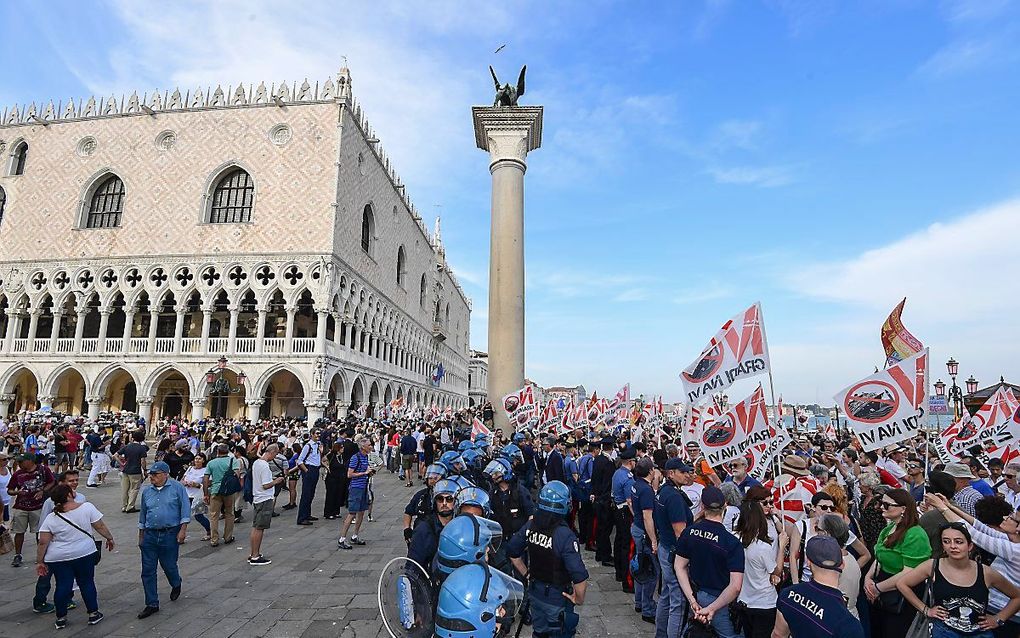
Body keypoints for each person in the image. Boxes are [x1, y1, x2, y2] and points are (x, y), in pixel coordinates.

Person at [896, 521, 1020, 638]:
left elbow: (1017, 596)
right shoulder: (932, 566)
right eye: (946, 541)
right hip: (943, 631)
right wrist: (926, 610)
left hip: (979, 633)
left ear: (970, 545)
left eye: (959, 542)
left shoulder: (986, 572)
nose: (953, 546)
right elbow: (902, 583)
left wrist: (998, 619)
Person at [926, 492, 1020, 636]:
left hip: (1004, 612)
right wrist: (950, 506)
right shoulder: (1012, 541)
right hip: (994, 608)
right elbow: (981, 528)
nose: (1005, 517)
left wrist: (999, 619)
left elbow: (974, 535)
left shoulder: (1014, 550)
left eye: (1012, 518)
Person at [508, 481, 589, 638]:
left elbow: (512, 552)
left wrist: (526, 574)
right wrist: (578, 599)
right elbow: (580, 578)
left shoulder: (530, 525)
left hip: (535, 594)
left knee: (539, 633)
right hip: (556, 598)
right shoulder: (565, 536)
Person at [36, 484, 113, 629]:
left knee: (62, 585)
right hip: (84, 553)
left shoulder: (52, 517)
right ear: (69, 495)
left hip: (58, 557)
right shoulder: (86, 508)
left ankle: (61, 617)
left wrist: (40, 561)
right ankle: (93, 613)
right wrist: (109, 538)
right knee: (87, 582)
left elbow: (43, 541)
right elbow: (100, 526)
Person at [674, 485, 745, 638]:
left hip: (699, 594)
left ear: (702, 506)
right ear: (725, 505)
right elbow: (736, 585)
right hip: (722, 600)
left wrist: (692, 600)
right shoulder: (731, 542)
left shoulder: (689, 532)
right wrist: (712, 608)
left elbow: (679, 566)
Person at [863, 488, 932, 638]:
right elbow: (879, 557)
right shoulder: (888, 528)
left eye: (887, 505)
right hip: (881, 589)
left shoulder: (915, 534)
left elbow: (910, 572)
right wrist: (868, 579)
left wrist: (878, 588)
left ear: (903, 509)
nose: (881, 507)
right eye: (881, 503)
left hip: (902, 595)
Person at [772, 536, 865, 638]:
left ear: (808, 562)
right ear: (842, 564)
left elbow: (778, 635)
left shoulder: (788, 595)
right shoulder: (849, 625)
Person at [136, 461, 190, 619]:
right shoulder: (147, 491)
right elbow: (143, 514)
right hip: (150, 534)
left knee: (169, 565)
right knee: (147, 570)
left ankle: (175, 582)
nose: (152, 477)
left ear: (166, 474)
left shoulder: (177, 488)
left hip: (170, 533)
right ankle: (152, 603)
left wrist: (183, 530)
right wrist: (141, 535)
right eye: (150, 474)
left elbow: (185, 508)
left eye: (155, 474)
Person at [653, 458, 695, 638]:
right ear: (671, 473)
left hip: (665, 547)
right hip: (675, 552)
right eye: (683, 472)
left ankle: (661, 633)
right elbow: (680, 532)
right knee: (678, 601)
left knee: (667, 594)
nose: (688, 475)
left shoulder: (664, 491)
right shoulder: (675, 497)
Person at [734, 499, 781, 638]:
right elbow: (776, 570)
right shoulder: (762, 547)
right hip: (764, 603)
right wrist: (782, 545)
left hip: (743, 600)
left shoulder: (736, 539)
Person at [7, 452, 55, 567]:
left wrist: (42, 491)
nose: (18, 464)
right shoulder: (18, 474)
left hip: (38, 506)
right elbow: (10, 489)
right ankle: (17, 555)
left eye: (21, 461)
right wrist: (17, 492)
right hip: (21, 506)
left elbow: (51, 482)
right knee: (19, 531)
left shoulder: (43, 470)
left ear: (30, 461)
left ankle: (41, 555)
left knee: (40, 532)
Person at [630, 456, 658, 624]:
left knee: (641, 566)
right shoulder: (646, 490)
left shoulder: (637, 485)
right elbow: (648, 517)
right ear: (650, 471)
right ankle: (647, 609)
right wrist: (653, 540)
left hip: (637, 528)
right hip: (644, 533)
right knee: (650, 572)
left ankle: (639, 602)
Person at [248, 444, 285, 565]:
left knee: (256, 526)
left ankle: (254, 552)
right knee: (260, 528)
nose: (275, 456)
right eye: (276, 454)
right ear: (272, 452)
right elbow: (266, 485)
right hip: (264, 498)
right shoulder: (264, 466)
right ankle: (255, 556)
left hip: (258, 498)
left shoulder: (257, 463)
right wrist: (277, 481)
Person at [337, 437, 375, 550]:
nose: (371, 447)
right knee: (352, 513)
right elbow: (350, 474)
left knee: (361, 512)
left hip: (364, 487)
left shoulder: (366, 457)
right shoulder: (356, 457)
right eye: (369, 445)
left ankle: (355, 535)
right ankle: (342, 539)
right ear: (363, 447)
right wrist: (364, 473)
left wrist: (369, 473)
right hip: (356, 488)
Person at [204, 444, 240, 545]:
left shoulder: (211, 463)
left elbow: (206, 478)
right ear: (228, 451)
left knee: (214, 515)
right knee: (229, 513)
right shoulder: (233, 461)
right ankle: (228, 537)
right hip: (228, 491)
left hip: (215, 490)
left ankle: (214, 539)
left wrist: (206, 493)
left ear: (218, 452)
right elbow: (237, 474)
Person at [612, 446, 637, 590]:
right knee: (627, 546)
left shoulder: (617, 473)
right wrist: (636, 517)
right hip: (625, 512)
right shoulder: (628, 478)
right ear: (631, 461)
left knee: (619, 541)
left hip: (618, 510)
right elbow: (630, 501)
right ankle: (627, 580)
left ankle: (619, 572)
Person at [590, 437, 616, 566]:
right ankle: (605, 555)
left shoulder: (598, 459)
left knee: (601, 528)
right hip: (605, 500)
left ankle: (600, 553)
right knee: (605, 529)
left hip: (598, 498)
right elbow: (608, 484)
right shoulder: (608, 462)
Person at [295, 430, 322, 525]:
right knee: (306, 494)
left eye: (319, 433)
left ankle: (307, 514)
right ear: (312, 435)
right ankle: (302, 517)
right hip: (309, 469)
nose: (318, 435)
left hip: (315, 469)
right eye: (317, 433)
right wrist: (306, 470)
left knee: (311, 493)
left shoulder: (318, 445)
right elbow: (300, 460)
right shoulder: (308, 446)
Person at [117, 430, 149, 513]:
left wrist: (122, 463)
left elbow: (115, 455)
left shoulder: (127, 446)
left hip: (126, 470)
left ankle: (124, 506)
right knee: (134, 489)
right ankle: (130, 506)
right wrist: (145, 470)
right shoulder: (142, 448)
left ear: (133, 438)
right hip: (136, 471)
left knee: (125, 489)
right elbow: (143, 461)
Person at [181, 454, 210, 541]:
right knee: (183, 515)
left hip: (197, 495)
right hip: (187, 494)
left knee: (198, 515)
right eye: (196, 458)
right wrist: (184, 483)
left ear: (203, 460)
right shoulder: (190, 469)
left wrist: (196, 485)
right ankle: (181, 535)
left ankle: (209, 531)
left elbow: (208, 483)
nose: (197, 460)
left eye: (199, 459)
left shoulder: (205, 471)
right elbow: (182, 479)